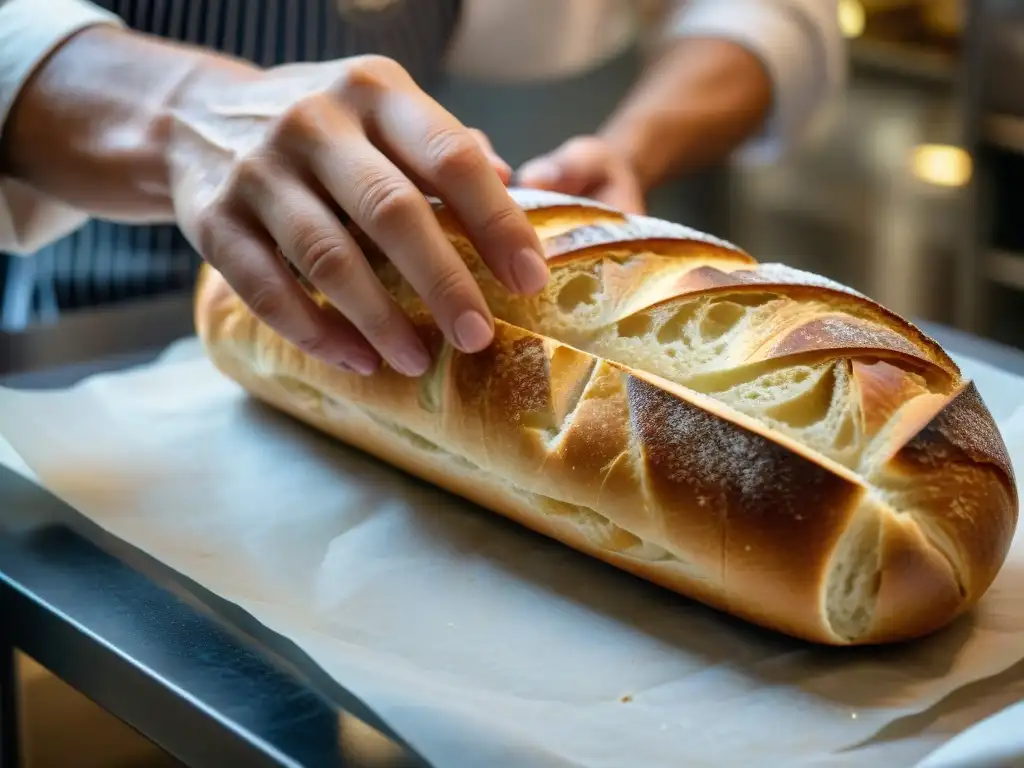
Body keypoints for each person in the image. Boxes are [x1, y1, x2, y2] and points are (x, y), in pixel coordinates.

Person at [0, 0, 842, 378]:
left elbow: (770, 10)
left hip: (385, 302)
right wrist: (185, 114)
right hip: (74, 347)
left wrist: (630, 148)